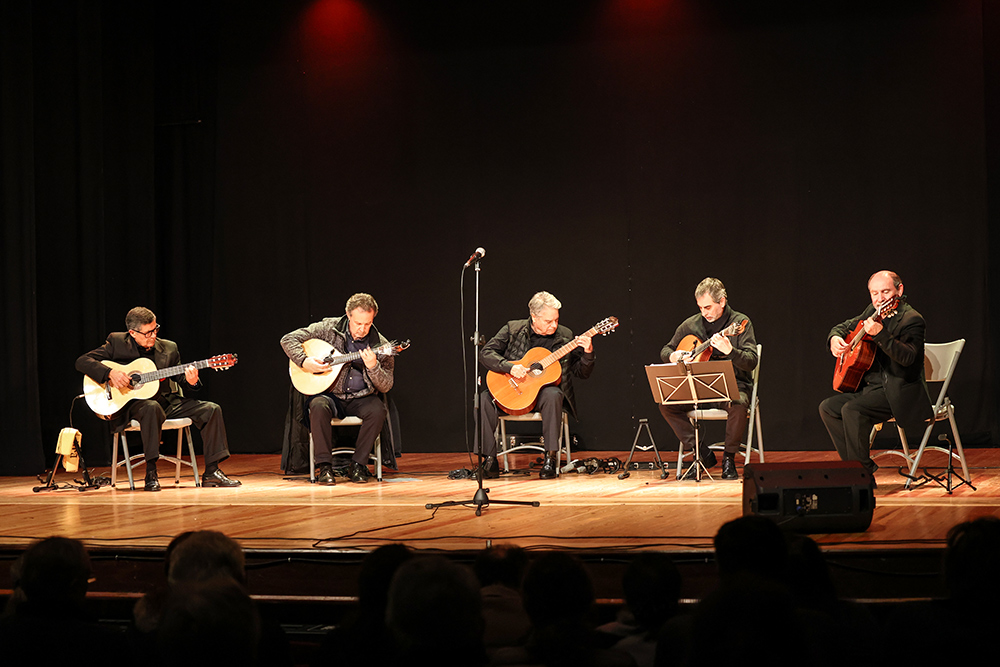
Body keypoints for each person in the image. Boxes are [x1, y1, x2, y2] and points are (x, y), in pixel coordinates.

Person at [75, 307, 240, 491]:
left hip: (167, 402)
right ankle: (151, 472)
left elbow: (182, 380)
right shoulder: (117, 342)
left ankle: (211, 472)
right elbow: (82, 361)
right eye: (147, 333)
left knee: (211, 409)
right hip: (133, 407)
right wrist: (109, 373)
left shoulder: (169, 348)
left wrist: (192, 381)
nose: (153, 336)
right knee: (152, 408)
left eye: (155, 330)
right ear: (132, 333)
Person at [819, 270, 932, 478]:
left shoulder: (912, 319)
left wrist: (880, 334)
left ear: (900, 290)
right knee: (828, 408)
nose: (879, 299)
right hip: (869, 389)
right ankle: (861, 469)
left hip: (897, 392)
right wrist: (834, 338)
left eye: (885, 291)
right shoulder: (871, 311)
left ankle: (858, 475)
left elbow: (908, 358)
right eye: (874, 293)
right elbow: (843, 327)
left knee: (852, 410)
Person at [479, 291, 596, 480]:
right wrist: (510, 367)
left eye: (556, 320)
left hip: (543, 396)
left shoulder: (565, 336)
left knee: (553, 394)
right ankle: (490, 460)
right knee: (483, 398)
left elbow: (581, 373)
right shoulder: (513, 329)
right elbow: (486, 353)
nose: (554, 325)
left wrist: (588, 352)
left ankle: (550, 458)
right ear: (534, 316)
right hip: (514, 392)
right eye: (549, 321)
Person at [280, 293, 393, 484]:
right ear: (348, 315)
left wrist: (373, 366)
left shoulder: (380, 344)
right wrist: (305, 361)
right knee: (317, 406)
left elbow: (386, 386)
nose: (362, 329)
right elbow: (288, 339)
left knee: (377, 410)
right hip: (330, 395)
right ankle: (324, 467)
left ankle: (358, 465)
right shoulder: (328, 328)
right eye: (358, 323)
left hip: (361, 397)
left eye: (367, 324)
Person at [658, 278, 758, 480]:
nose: (704, 312)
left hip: (732, 386)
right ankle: (701, 453)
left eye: (708, 307)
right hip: (697, 386)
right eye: (701, 307)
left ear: (722, 301)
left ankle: (729, 459)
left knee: (738, 404)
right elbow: (666, 349)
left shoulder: (740, 323)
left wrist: (730, 351)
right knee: (665, 404)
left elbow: (751, 361)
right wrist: (673, 356)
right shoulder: (691, 324)